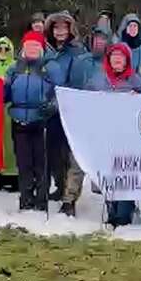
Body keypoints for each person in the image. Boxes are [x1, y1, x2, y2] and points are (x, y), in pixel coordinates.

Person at [57, 24, 111, 217]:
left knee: (107, 162)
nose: (99, 42)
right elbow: (70, 86)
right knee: (77, 160)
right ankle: (69, 199)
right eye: (96, 39)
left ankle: (113, 200)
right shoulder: (81, 61)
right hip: (82, 119)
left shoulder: (113, 63)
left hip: (106, 121)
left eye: (103, 39)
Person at [90, 43, 141, 226]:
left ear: (127, 60)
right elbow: (85, 100)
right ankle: (111, 209)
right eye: (113, 55)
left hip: (127, 135)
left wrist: (136, 99)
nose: (116, 59)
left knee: (125, 172)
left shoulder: (135, 80)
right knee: (108, 172)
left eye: (120, 56)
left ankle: (124, 212)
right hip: (105, 134)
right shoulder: (99, 79)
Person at [5, 31, 56, 211]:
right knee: (24, 162)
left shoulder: (47, 69)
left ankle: (41, 200)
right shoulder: (14, 68)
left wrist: (52, 105)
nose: (32, 49)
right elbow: (6, 92)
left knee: (40, 163)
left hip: (40, 120)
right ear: (23, 48)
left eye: (36, 46)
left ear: (41, 49)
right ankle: (26, 197)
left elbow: (58, 92)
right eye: (29, 45)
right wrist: (0, 91)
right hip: (19, 120)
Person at [43, 11, 86, 201]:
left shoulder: (77, 51)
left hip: (70, 109)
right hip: (49, 110)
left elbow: (78, 81)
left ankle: (70, 195)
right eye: (56, 27)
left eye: (64, 27)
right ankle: (60, 185)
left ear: (70, 29)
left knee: (71, 154)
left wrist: (62, 101)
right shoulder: (45, 50)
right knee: (53, 153)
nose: (60, 31)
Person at [0, 36, 20, 192]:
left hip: (9, 108)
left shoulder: (15, 66)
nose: (3, 52)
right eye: (0, 48)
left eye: (6, 49)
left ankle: (11, 176)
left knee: (9, 142)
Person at [116, 13, 141, 77]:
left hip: (139, 81)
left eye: (135, 26)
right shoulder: (119, 46)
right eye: (130, 26)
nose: (133, 28)